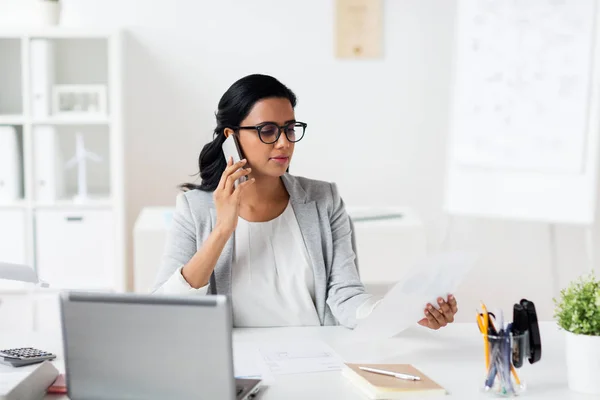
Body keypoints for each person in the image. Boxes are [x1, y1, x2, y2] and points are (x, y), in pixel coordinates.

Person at [152, 74, 458, 329]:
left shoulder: (323, 200)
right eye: (267, 131)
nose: (284, 142)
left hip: (317, 358)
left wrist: (401, 314)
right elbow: (166, 309)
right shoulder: (194, 209)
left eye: (289, 128)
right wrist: (222, 229)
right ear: (231, 136)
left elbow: (346, 295)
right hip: (237, 365)